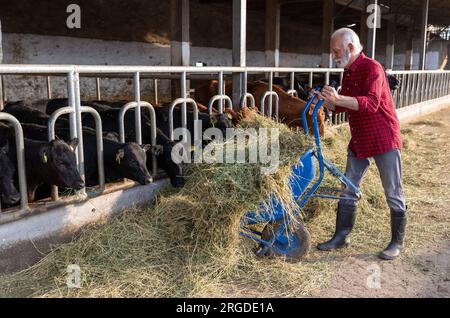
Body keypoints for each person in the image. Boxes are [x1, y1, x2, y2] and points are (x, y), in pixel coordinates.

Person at [314, 28, 407, 260]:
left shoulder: (373, 68)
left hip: (383, 137)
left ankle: (396, 243)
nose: (334, 55)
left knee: (393, 191)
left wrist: (338, 98)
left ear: (351, 48)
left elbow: (372, 103)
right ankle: (341, 236)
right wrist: (327, 102)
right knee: (349, 187)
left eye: (337, 51)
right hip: (360, 138)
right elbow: (345, 106)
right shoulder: (349, 72)